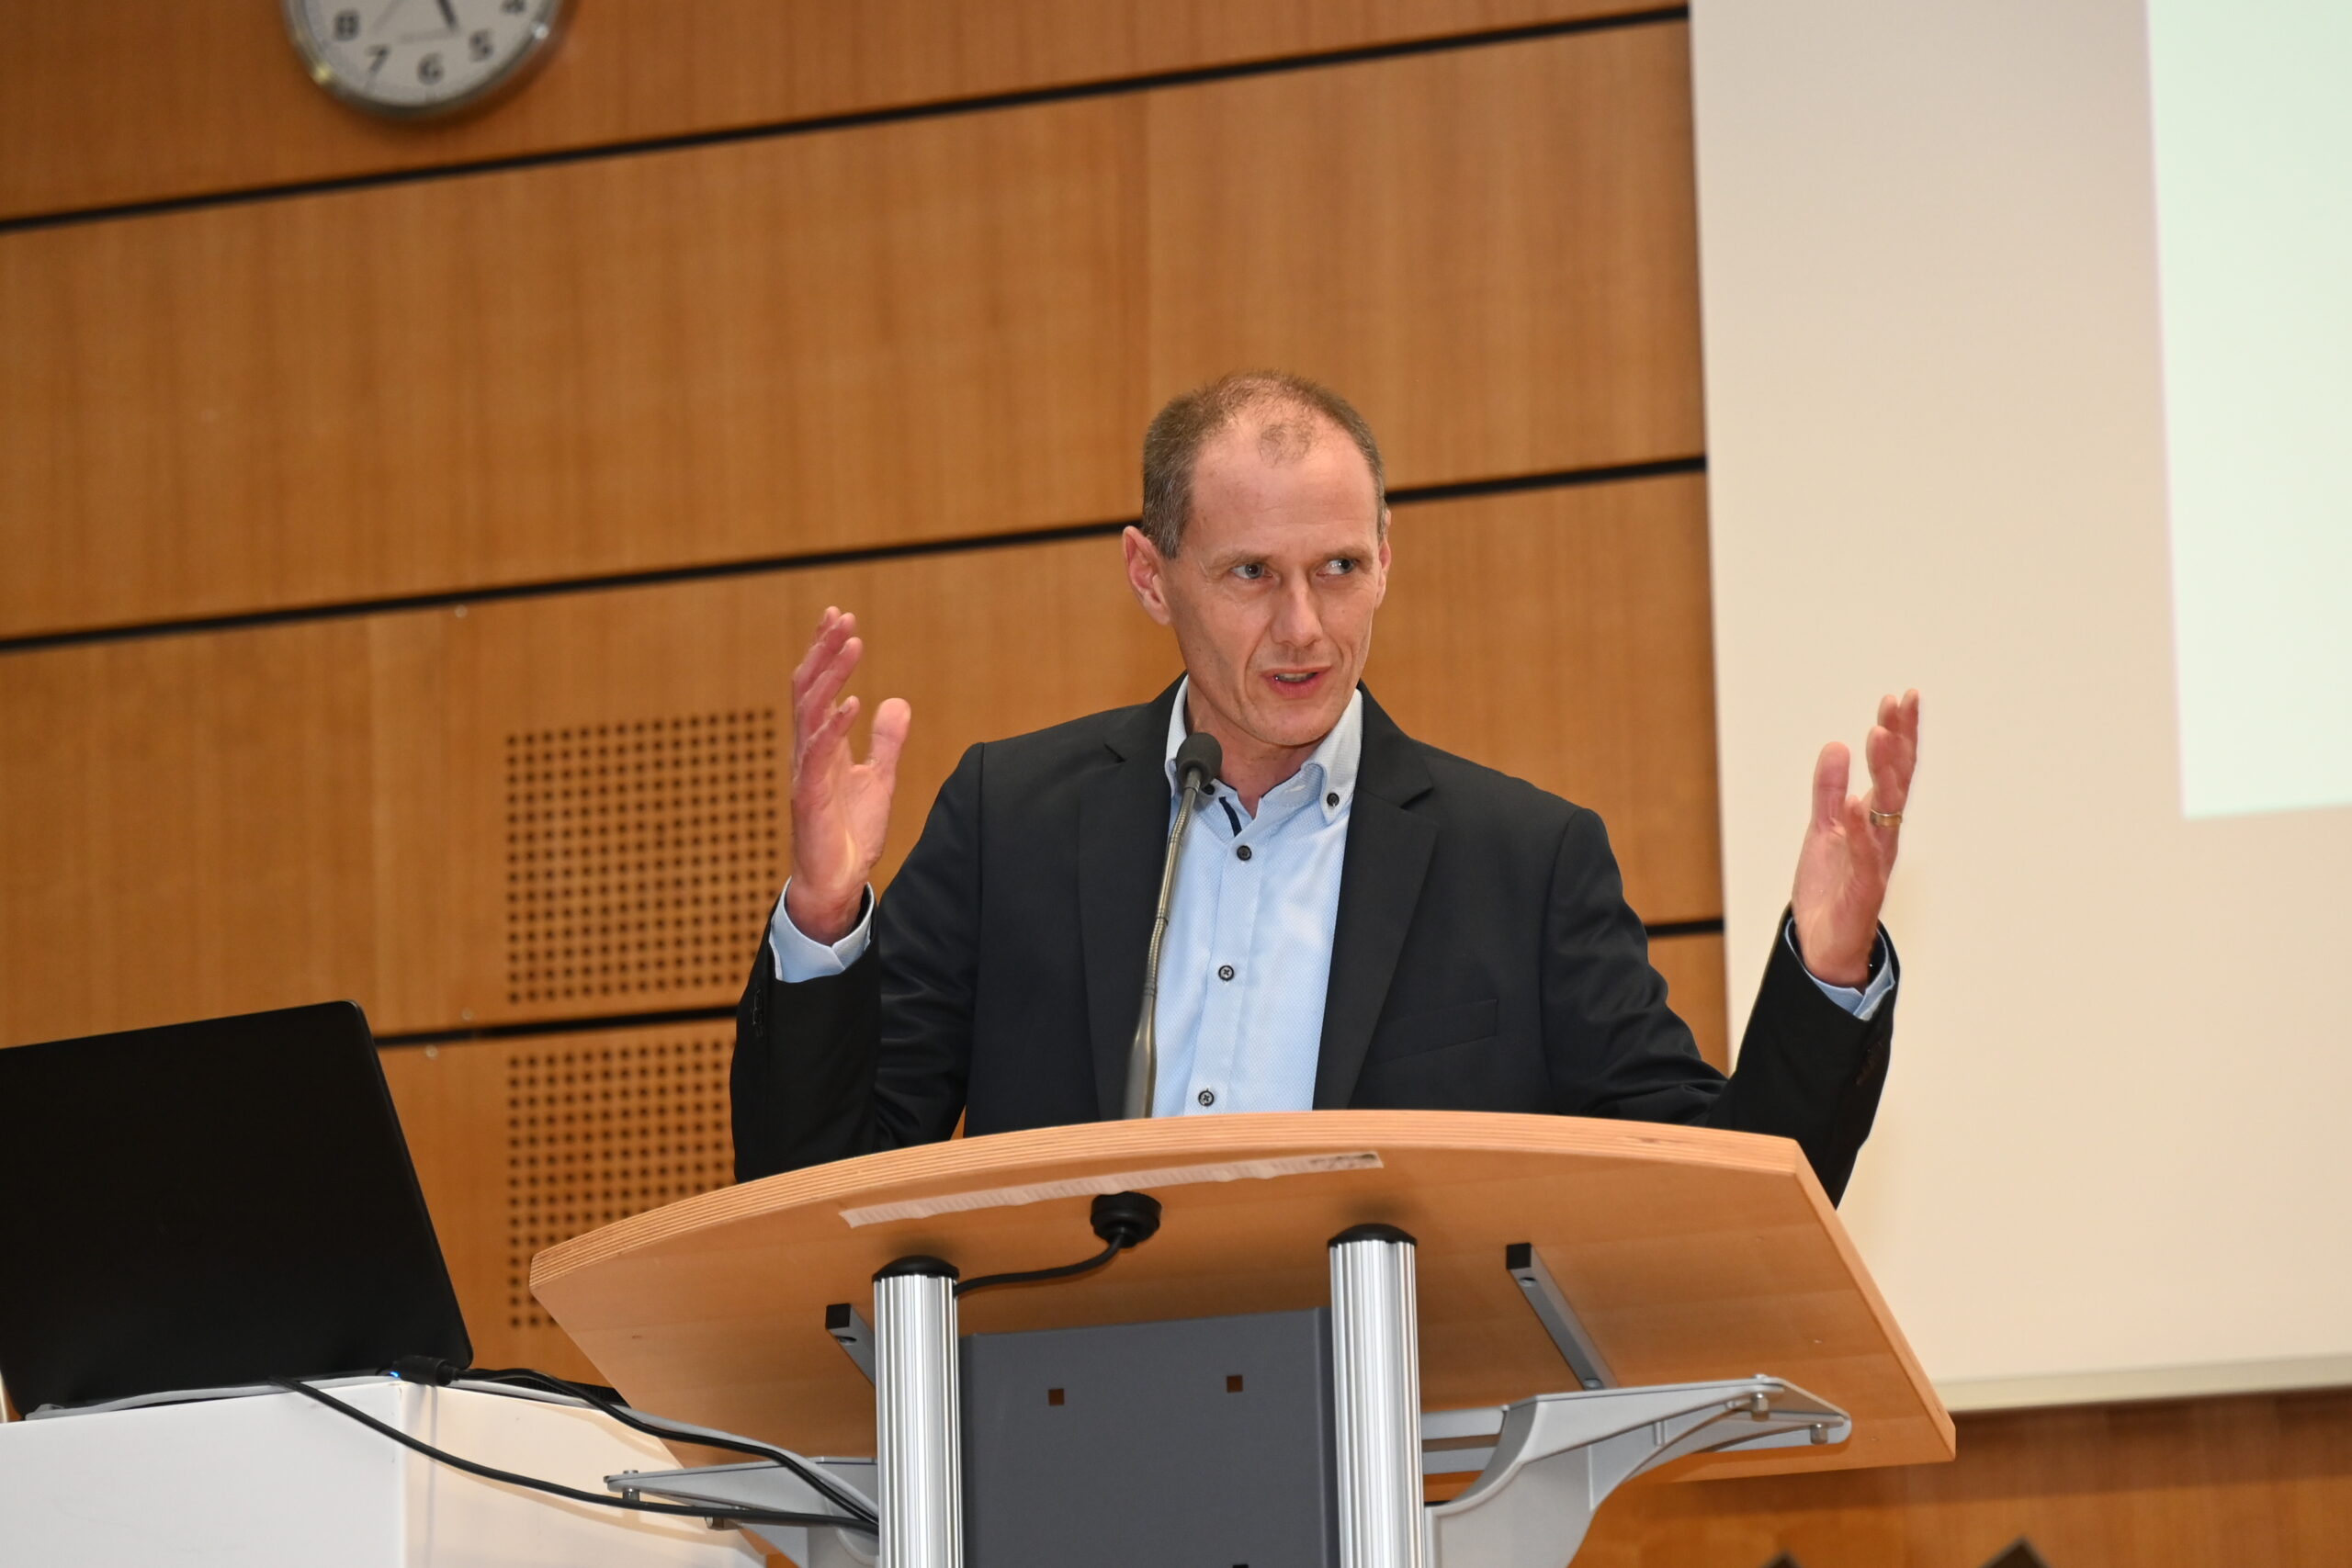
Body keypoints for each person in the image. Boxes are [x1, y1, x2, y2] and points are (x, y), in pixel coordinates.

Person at [732, 372, 1918, 1201]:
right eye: (1251, 573)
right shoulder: (1015, 820)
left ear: (1387, 562)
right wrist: (826, 925)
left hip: (1403, 1457)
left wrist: (1826, 972)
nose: (1305, 628)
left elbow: (1725, 1192)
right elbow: (817, 1190)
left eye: (1340, 569)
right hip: (1054, 1419)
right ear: (1152, 577)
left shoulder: (1521, 860)